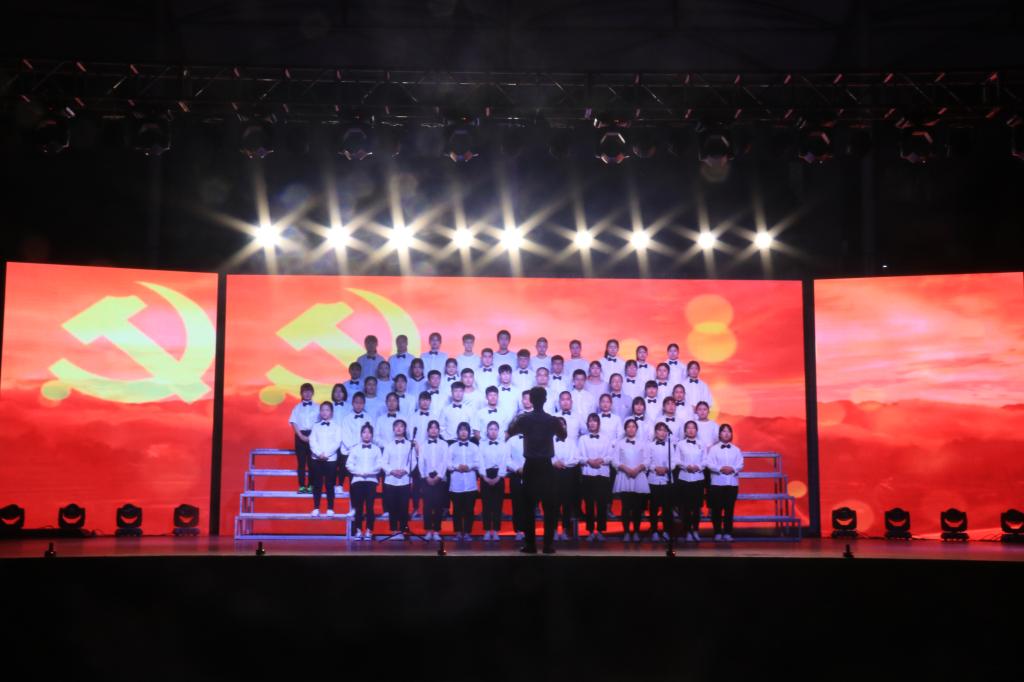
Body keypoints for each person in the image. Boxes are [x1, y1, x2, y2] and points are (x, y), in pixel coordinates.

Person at [507, 386, 567, 554]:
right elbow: (563, 436)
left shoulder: (524, 419)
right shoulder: (552, 420)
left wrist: (517, 418)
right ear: (545, 400)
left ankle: (531, 546)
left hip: (531, 466)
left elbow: (510, 431)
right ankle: (548, 546)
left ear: (531, 400)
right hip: (546, 466)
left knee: (528, 509)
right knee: (549, 509)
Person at [611, 418, 649, 542]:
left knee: (637, 508)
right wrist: (625, 468)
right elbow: (614, 460)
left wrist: (638, 468)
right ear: (625, 429)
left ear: (636, 429)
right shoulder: (619, 443)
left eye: (633, 426)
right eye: (628, 426)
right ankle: (626, 532)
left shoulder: (643, 443)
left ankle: (636, 531)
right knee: (626, 507)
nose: (631, 429)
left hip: (638, 476)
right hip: (624, 476)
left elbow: (647, 459)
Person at [577, 412, 611, 542]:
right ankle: (590, 531)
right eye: (590, 421)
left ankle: (601, 531)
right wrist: (589, 461)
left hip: (602, 474)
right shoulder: (582, 439)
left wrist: (601, 460)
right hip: (588, 474)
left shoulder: (606, 439)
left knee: (602, 504)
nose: (592, 423)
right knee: (589, 504)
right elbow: (579, 457)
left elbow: (611, 456)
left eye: (594, 421)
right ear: (587, 424)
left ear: (598, 423)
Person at [706, 424, 743, 542]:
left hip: (732, 483)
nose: (726, 434)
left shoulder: (736, 450)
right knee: (717, 509)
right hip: (717, 483)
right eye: (724, 431)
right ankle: (717, 532)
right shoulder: (713, 449)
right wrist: (720, 468)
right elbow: (709, 463)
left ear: (731, 434)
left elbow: (740, 463)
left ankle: (728, 532)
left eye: (728, 431)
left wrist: (732, 469)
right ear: (719, 434)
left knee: (729, 509)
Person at [347, 423, 382, 541]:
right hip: (358, 480)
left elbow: (379, 464)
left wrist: (369, 472)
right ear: (361, 434)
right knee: (358, 507)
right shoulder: (355, 448)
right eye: (364, 432)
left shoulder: (376, 449)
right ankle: (358, 530)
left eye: (369, 432)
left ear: (372, 435)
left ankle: (369, 530)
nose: (366, 435)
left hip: (371, 481)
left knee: (370, 507)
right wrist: (360, 472)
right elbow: (349, 464)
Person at [381, 419, 415, 538]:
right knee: (392, 506)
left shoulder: (409, 445)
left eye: (401, 426)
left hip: (405, 480)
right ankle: (394, 531)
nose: (399, 428)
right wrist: (392, 471)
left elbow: (413, 461)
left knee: (404, 506)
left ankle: (403, 530)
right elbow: (383, 462)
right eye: (396, 426)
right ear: (393, 429)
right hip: (391, 480)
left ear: (405, 429)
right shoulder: (388, 445)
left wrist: (405, 470)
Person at [447, 422, 480, 541]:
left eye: (465, 430)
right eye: (461, 430)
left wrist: (468, 466)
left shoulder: (475, 447)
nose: (463, 432)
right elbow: (448, 463)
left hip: (470, 484)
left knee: (469, 510)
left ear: (469, 432)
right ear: (457, 432)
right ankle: (457, 533)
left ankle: (467, 533)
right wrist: (457, 466)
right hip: (456, 484)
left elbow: (478, 462)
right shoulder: (452, 447)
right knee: (456, 510)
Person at [309, 401, 342, 517]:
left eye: (327, 410)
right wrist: (319, 454)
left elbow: (337, 442)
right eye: (322, 410)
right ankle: (316, 508)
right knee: (317, 484)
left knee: (330, 484)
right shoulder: (315, 426)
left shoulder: (337, 427)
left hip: (331, 459)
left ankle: (330, 508)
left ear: (331, 412)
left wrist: (326, 454)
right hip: (316, 459)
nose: (324, 412)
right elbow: (312, 441)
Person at [675, 420, 706, 543]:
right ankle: (687, 531)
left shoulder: (701, 444)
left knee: (697, 507)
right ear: (685, 431)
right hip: (684, 478)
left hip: (698, 478)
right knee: (686, 508)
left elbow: (705, 460)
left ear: (696, 430)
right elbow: (677, 459)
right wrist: (686, 466)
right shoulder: (680, 444)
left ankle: (696, 530)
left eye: (693, 428)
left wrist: (698, 467)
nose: (691, 430)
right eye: (688, 428)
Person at [417, 420, 449, 541]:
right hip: (426, 479)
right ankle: (428, 530)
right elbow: (421, 462)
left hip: (440, 479)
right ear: (428, 430)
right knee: (427, 506)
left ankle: (436, 531)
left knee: (438, 506)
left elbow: (445, 461)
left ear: (439, 430)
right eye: (431, 428)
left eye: (436, 428)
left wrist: (438, 476)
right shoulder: (423, 445)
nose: (434, 430)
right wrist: (426, 477)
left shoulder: (444, 444)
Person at [478, 421, 509, 541]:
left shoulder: (503, 445)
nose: (493, 431)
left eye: (495, 429)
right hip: (485, 475)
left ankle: (496, 530)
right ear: (487, 431)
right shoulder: (482, 445)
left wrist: (498, 477)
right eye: (491, 429)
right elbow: (480, 461)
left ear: (498, 431)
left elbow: (504, 462)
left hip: (498, 476)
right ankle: (486, 530)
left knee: (497, 505)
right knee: (486, 505)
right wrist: (484, 477)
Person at [551, 416, 580, 541]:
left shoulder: (571, 442)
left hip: (568, 474)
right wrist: (554, 463)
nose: (561, 426)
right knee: (554, 504)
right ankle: (553, 531)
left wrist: (565, 463)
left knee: (567, 504)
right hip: (553, 474)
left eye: (563, 424)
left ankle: (564, 531)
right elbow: (546, 456)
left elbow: (576, 459)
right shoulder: (549, 440)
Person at [288, 382, 319, 494]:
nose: (307, 393)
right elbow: (293, 422)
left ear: (313, 393)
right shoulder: (297, 408)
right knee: (301, 463)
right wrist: (300, 436)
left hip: (313, 436)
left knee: (312, 463)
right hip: (300, 436)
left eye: (309, 391)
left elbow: (320, 423)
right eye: (305, 391)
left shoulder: (317, 407)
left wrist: (312, 436)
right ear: (301, 393)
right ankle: (301, 486)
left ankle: (311, 485)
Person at [647, 422, 675, 542]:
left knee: (667, 508)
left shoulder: (670, 445)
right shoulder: (650, 446)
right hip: (653, 479)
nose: (662, 432)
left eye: (664, 430)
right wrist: (655, 468)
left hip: (667, 480)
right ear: (655, 432)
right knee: (653, 508)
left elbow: (674, 460)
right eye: (660, 430)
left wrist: (667, 468)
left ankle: (666, 531)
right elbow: (647, 460)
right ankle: (654, 531)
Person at [505, 429, 527, 542]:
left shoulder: (535, 438)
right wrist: (517, 468)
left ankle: (529, 530)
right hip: (516, 475)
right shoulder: (511, 440)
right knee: (517, 504)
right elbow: (507, 458)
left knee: (530, 505)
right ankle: (518, 530)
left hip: (532, 475)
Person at [329, 383, 351, 496]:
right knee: (332, 464)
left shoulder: (349, 407)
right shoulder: (329, 406)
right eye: (336, 391)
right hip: (332, 440)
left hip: (345, 440)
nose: (338, 393)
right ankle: (331, 484)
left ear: (344, 393)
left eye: (340, 391)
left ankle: (340, 485)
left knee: (343, 464)